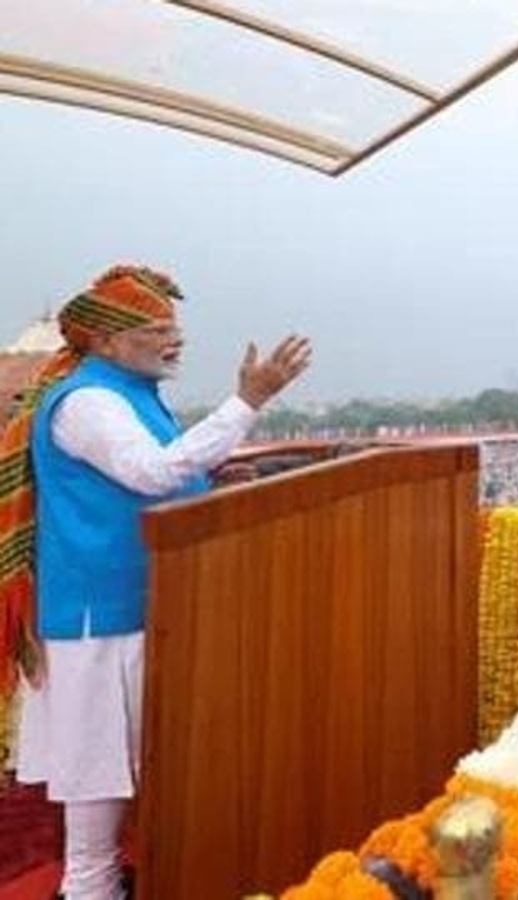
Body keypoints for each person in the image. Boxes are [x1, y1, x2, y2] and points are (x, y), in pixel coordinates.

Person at [0, 265, 311, 899]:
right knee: (99, 766)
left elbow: (170, 475)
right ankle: (90, 888)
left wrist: (212, 483)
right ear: (107, 341)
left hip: (148, 601)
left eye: (176, 327)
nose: (176, 340)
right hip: (96, 613)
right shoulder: (88, 401)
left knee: (139, 757)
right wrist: (247, 401)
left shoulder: (131, 392)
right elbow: (154, 472)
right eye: (158, 329)